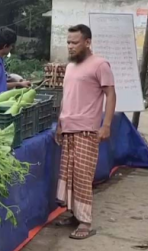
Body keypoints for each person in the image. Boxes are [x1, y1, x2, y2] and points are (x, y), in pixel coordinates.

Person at [55, 24, 116, 240]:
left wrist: (106, 125)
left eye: (74, 42)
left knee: (82, 176)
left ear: (87, 42)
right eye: (68, 42)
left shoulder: (100, 65)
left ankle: (85, 222)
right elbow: (67, 95)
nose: (70, 46)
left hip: (87, 131)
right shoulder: (71, 66)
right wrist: (60, 122)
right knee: (69, 175)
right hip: (69, 129)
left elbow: (111, 94)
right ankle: (73, 214)